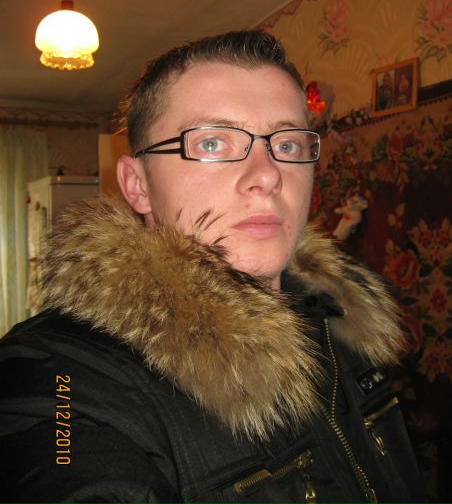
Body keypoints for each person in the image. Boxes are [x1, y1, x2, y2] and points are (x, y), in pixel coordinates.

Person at [0, 30, 424, 503]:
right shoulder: (62, 374)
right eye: (212, 144)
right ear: (137, 185)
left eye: (286, 145)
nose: (268, 174)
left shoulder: (342, 318)